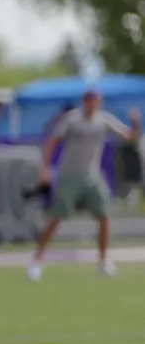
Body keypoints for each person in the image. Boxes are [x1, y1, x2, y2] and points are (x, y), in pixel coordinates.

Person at [27, 87, 142, 280]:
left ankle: (103, 261)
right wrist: (45, 169)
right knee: (56, 219)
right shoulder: (72, 119)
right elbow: (52, 142)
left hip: (92, 176)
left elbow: (129, 138)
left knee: (104, 216)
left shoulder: (103, 119)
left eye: (96, 100)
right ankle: (36, 260)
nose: (92, 103)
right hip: (69, 176)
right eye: (89, 100)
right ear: (84, 102)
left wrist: (136, 123)